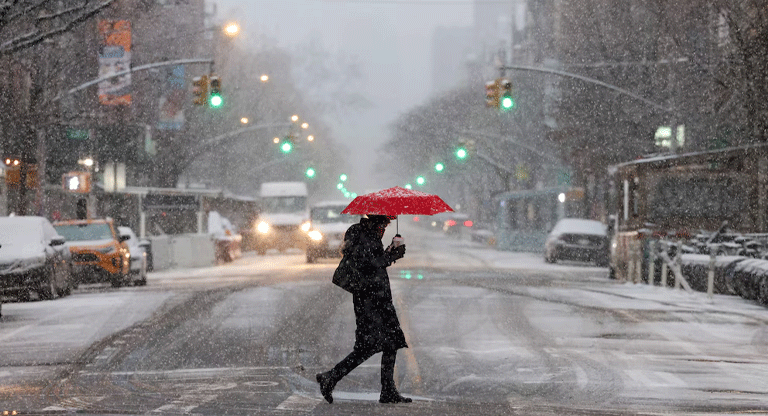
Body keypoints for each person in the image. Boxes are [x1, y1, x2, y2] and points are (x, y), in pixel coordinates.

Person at [316, 214, 411, 404]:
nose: (385, 227)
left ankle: (387, 390)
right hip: (370, 298)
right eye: (384, 223)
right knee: (369, 345)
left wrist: (389, 251)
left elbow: (372, 260)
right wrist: (391, 256)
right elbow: (368, 265)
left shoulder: (366, 233)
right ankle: (331, 377)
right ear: (377, 220)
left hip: (377, 297)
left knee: (390, 342)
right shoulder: (361, 234)